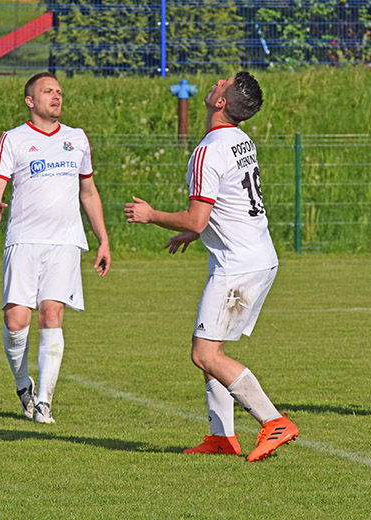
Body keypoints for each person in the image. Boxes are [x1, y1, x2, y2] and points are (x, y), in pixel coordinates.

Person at [124, 71, 298, 462]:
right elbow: (227, 205)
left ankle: (275, 422)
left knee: (204, 354)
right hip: (254, 257)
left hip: (238, 268)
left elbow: (196, 218)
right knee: (211, 345)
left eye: (222, 83)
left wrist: (152, 215)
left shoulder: (208, 150)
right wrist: (198, 232)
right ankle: (222, 437)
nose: (215, 82)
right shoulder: (241, 140)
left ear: (221, 103)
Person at [0, 72, 110, 424]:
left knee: (51, 314)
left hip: (65, 241)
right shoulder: (13, 139)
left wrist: (103, 239)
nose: (56, 96)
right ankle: (24, 385)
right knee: (15, 321)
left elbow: (88, 191)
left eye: (59, 92)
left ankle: (44, 403)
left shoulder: (77, 138)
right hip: (23, 239)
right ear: (30, 100)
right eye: (47, 91)